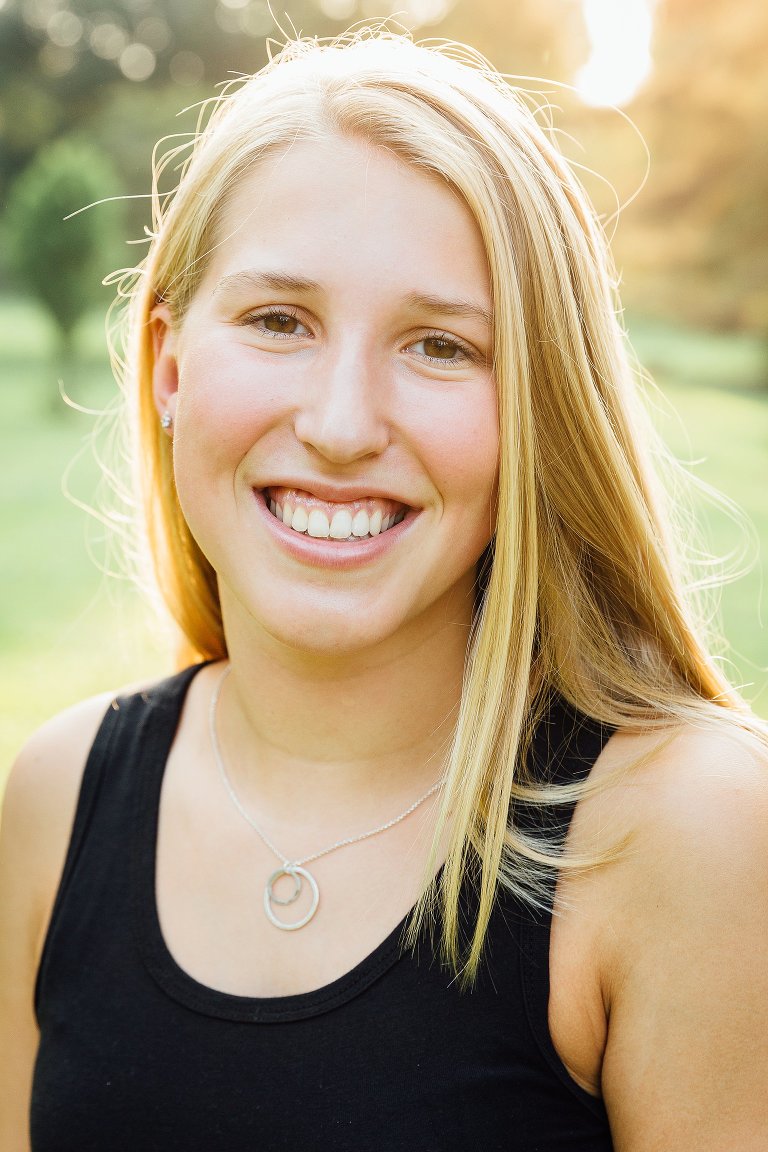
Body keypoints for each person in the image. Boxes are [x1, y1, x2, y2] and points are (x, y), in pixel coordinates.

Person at [1, 29, 767, 1152]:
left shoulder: (684, 831)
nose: (342, 425)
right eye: (279, 321)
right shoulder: (56, 802)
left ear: (538, 411)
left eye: (441, 347)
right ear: (168, 363)